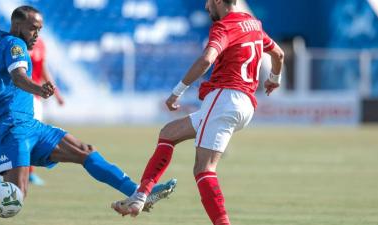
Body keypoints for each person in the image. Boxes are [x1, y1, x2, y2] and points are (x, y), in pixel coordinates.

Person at [0, 6, 175, 225]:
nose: (37, 34)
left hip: (28, 125)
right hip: (13, 128)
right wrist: (38, 89)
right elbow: (19, 77)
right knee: (13, 196)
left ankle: (138, 194)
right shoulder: (15, 46)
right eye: (33, 28)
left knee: (84, 150)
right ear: (18, 26)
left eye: (40, 29)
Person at [111, 0, 284, 224]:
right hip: (245, 104)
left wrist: (177, 91)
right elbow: (278, 55)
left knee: (204, 169)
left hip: (225, 98)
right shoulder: (254, 24)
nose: (205, 6)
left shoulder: (224, 26)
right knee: (169, 133)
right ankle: (140, 196)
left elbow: (206, 60)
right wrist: (274, 79)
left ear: (219, 1)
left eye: (209, 1)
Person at [27, 37, 65, 185]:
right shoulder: (18, 42)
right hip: (20, 96)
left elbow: (43, 70)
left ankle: (29, 172)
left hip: (36, 97)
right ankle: (5, 165)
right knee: (22, 135)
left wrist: (57, 95)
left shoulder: (41, 43)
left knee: (31, 136)